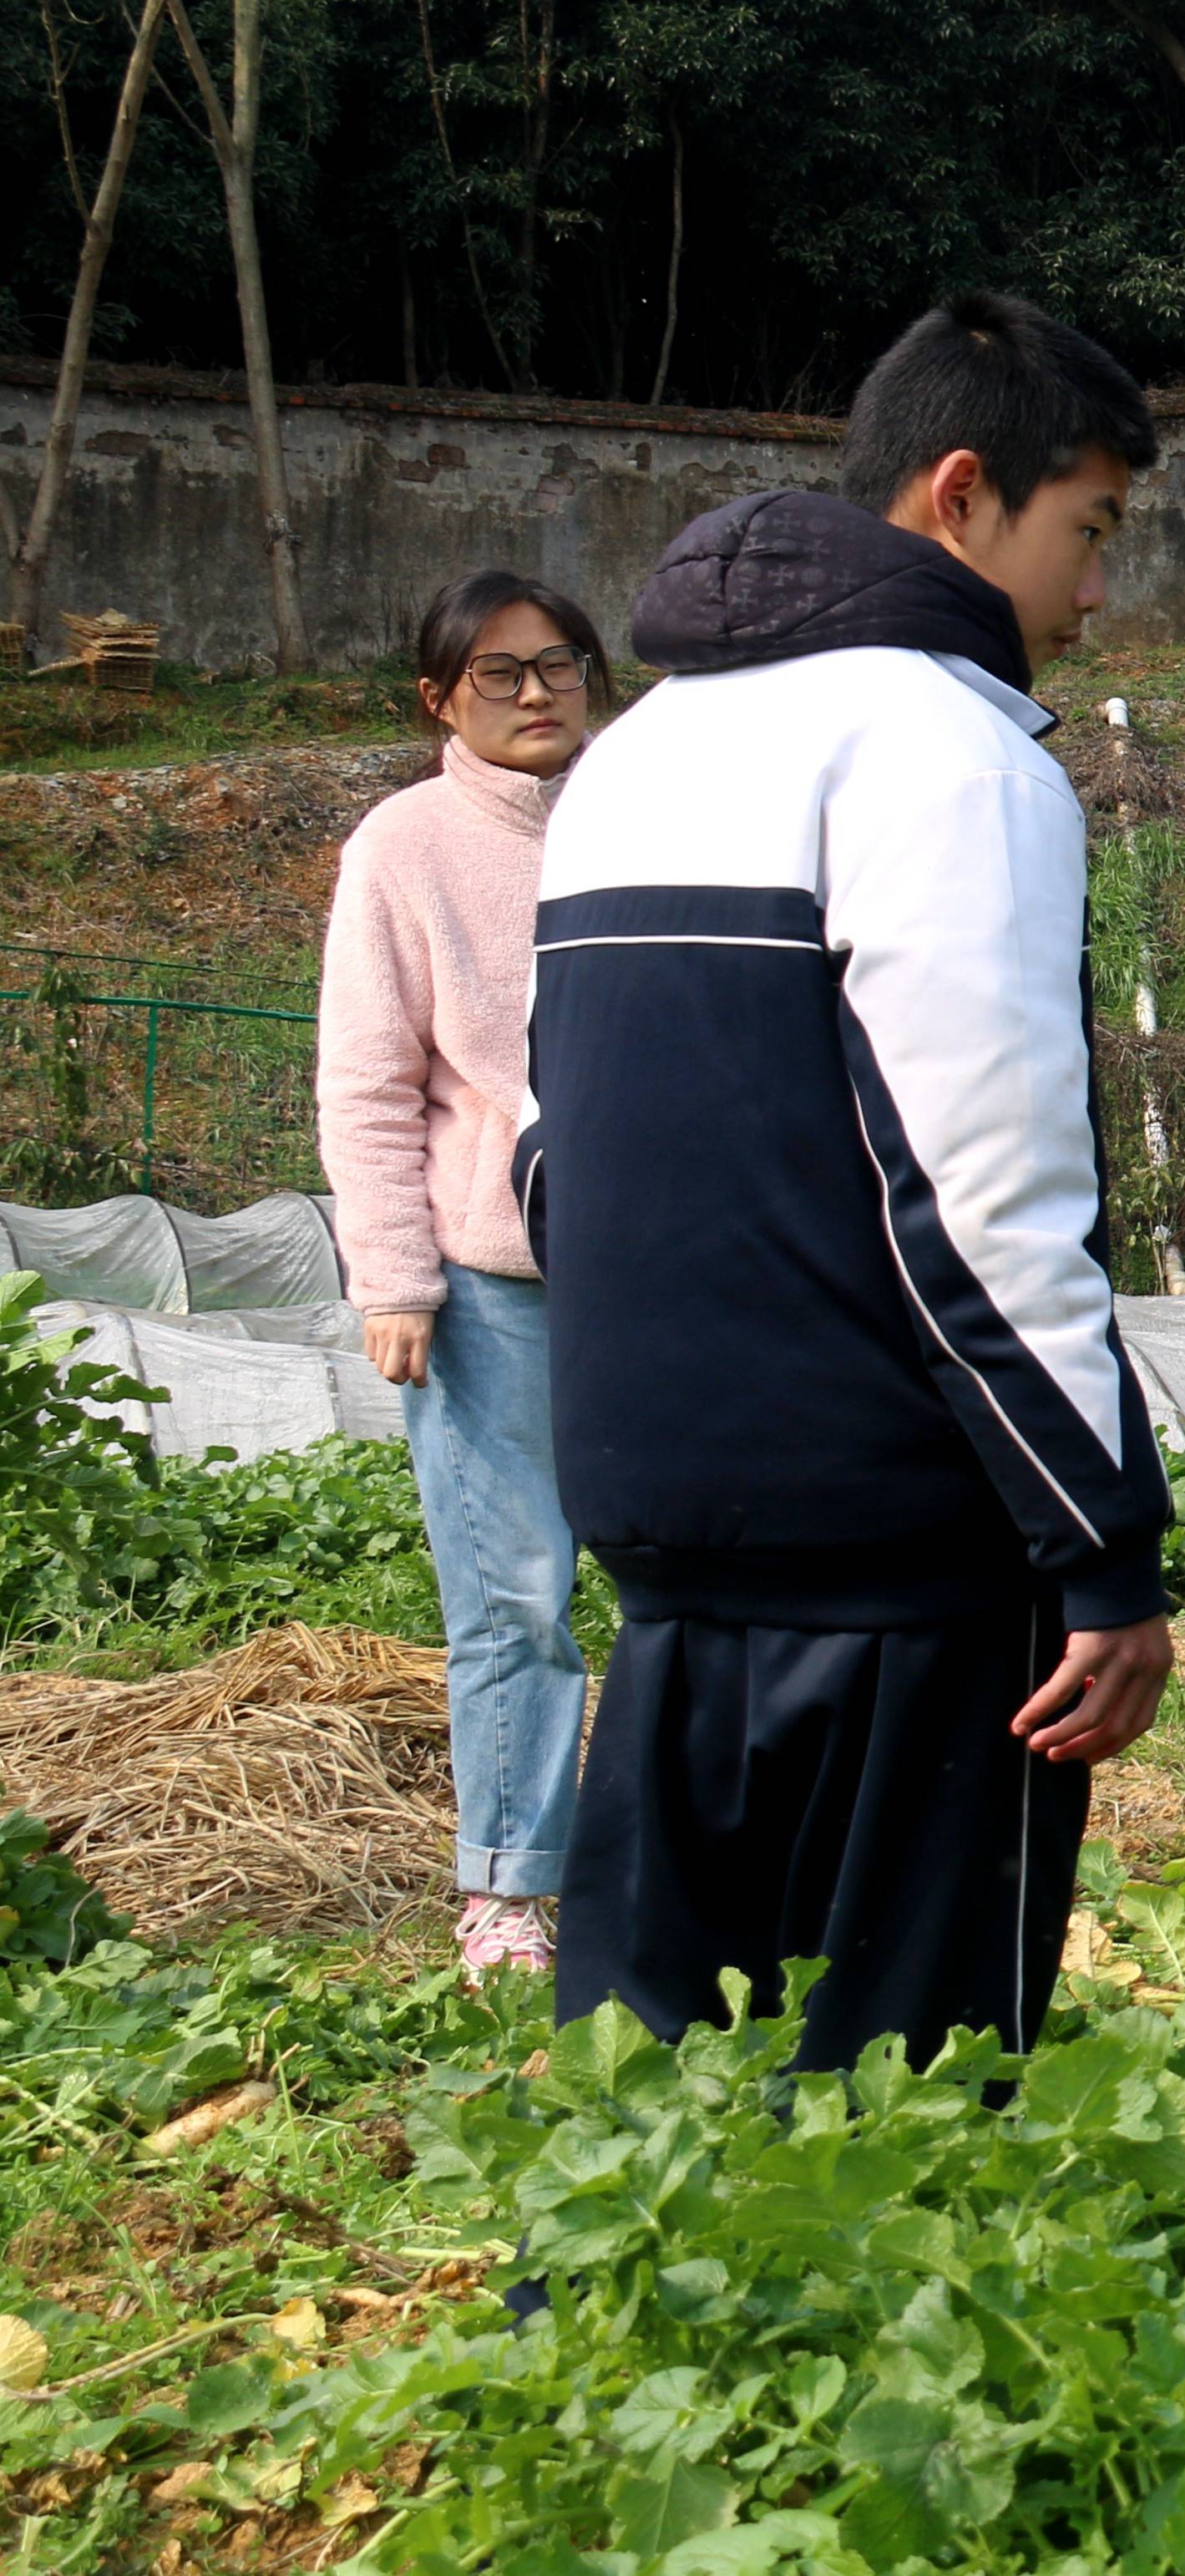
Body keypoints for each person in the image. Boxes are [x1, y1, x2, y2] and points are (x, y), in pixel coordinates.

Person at [523, 289, 1174, 2070]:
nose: (1097, 590)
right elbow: (978, 1194)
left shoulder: (636, 751)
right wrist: (1104, 1551)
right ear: (963, 495)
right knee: (902, 2094)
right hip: (901, 1548)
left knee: (652, 2102)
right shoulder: (953, 752)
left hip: (666, 1532)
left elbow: (551, 1155)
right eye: (1090, 529)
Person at [315, 570, 615, 1980]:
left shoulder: (641, 814)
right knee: (513, 1597)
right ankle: (509, 1886)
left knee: (702, 1568)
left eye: (558, 664)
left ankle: (692, 1847)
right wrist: (393, 1278)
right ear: (439, 699)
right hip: (492, 1282)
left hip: (656, 1271)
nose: (539, 691)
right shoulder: (406, 845)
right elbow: (370, 1081)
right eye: (500, 673)